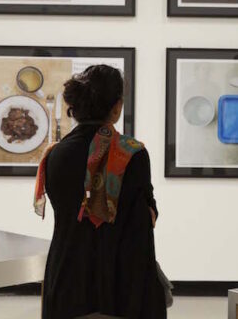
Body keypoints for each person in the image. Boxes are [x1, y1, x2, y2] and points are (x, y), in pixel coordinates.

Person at [34, 65, 166, 319]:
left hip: (66, 277)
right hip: (119, 284)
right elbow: (145, 219)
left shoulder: (55, 154)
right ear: (116, 107)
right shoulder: (132, 153)